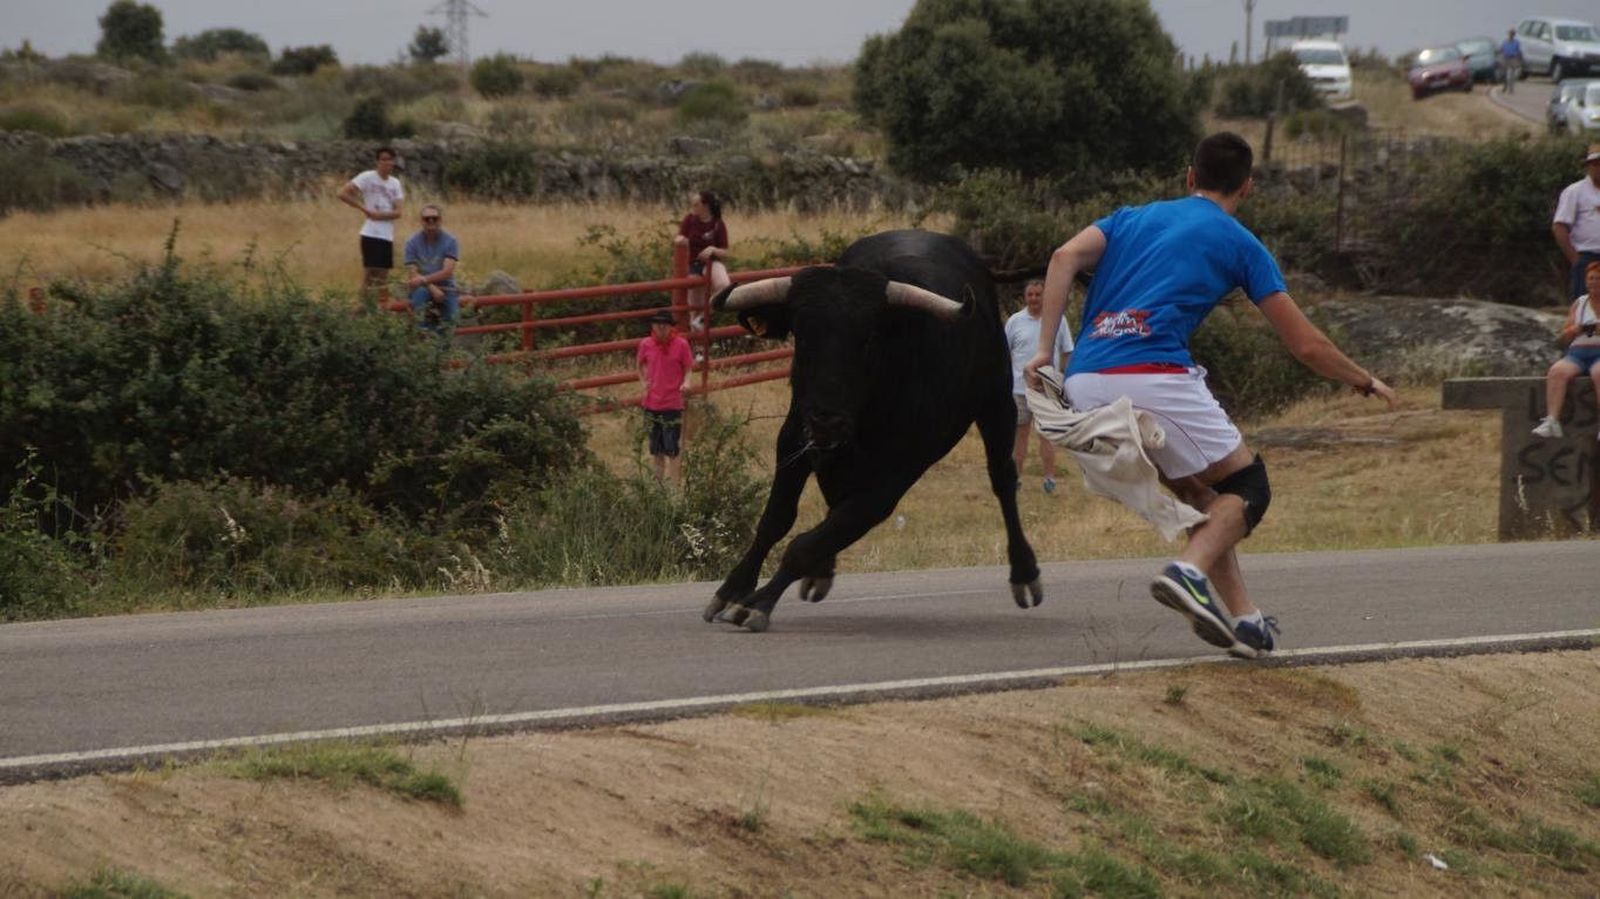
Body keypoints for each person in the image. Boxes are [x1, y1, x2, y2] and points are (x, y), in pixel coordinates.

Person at [1023, 131, 1397, 659]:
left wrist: (1044, 350)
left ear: (1190, 177)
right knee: (1250, 487)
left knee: (1205, 499)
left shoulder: (1131, 217)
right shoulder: (1242, 243)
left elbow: (1063, 257)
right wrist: (1361, 378)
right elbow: (1306, 346)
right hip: (1152, 374)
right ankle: (1186, 572)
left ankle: (1246, 622)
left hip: (1085, 379)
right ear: (1246, 188)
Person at [1006, 279, 1074, 494]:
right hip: (1019, 389)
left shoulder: (1058, 320)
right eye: (1030, 295)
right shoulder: (1015, 321)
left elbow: (1067, 351)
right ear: (1025, 297)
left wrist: (1064, 378)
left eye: (1038, 294)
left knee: (1046, 435)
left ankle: (1050, 479)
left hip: (1046, 389)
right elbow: (1004, 353)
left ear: (1045, 296)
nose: (1034, 298)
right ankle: (1016, 478)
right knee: (1020, 435)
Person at [1533, 261, 1600, 439]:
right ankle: (1552, 420)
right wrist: (1575, 330)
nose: (1594, 282)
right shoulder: (1580, 303)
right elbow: (1564, 335)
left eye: (1598, 279)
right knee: (1557, 372)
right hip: (1578, 352)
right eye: (1591, 278)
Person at [337, 146, 405, 307]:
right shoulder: (367, 177)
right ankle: (361, 307)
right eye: (383, 159)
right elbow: (343, 193)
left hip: (386, 234)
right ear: (377, 161)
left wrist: (379, 215)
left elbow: (398, 211)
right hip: (371, 232)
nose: (386, 163)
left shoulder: (395, 183)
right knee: (370, 273)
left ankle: (381, 309)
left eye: (389, 159)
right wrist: (364, 208)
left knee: (383, 275)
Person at [637, 309, 695, 484]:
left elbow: (688, 367)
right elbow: (639, 365)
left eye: (665, 324)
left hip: (672, 403)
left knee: (672, 448)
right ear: (653, 326)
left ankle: (675, 486)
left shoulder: (681, 344)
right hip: (651, 403)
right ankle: (658, 485)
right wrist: (643, 382)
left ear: (671, 327)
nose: (661, 327)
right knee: (656, 449)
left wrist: (686, 382)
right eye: (657, 324)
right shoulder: (646, 344)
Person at [673, 191, 730, 354]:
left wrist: (712, 249)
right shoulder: (689, 220)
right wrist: (683, 241)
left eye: (696, 204)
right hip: (694, 264)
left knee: (724, 286)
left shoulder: (718, 224)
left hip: (713, 262)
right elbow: (678, 238)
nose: (693, 208)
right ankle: (698, 351)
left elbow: (725, 252)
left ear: (706, 206)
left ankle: (704, 317)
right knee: (694, 306)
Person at [402, 204, 461, 333]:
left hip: (446, 285)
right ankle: (424, 340)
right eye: (427, 218)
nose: (431, 221)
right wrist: (431, 287)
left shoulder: (451, 241)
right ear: (421, 221)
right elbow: (412, 273)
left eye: (434, 218)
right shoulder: (411, 242)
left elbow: (447, 272)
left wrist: (423, 280)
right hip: (421, 287)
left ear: (440, 220)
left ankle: (441, 347)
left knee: (453, 318)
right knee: (419, 310)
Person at [1553, 144, 1600, 301]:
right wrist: (1575, 259)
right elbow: (1559, 226)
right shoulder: (1575, 191)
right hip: (1587, 257)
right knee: (1584, 308)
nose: (1598, 167)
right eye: (1595, 163)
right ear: (1588, 166)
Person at [1499, 29, 1523, 93]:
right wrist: (1501, 58)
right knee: (1505, 74)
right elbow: (1501, 50)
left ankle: (1511, 88)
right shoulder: (1505, 42)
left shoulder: (1516, 42)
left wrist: (1519, 60)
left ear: (1514, 35)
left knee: (1511, 75)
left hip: (1513, 59)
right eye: (1510, 34)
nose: (1511, 35)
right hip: (1506, 58)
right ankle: (1505, 86)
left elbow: (1519, 51)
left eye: (1512, 34)